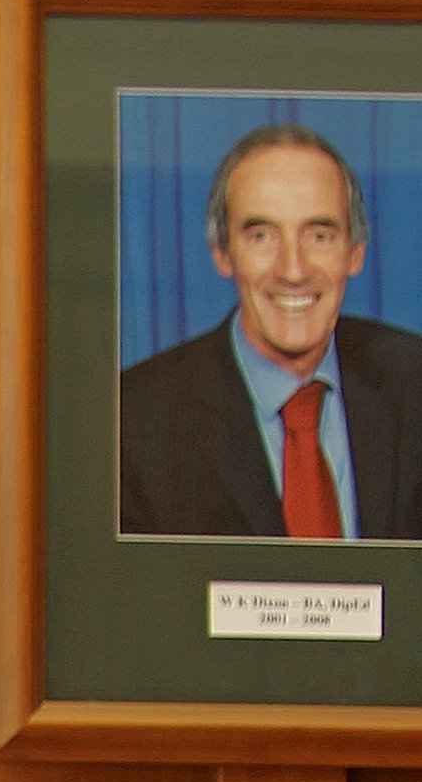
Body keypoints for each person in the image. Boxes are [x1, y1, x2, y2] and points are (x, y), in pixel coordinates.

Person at [118, 123, 422, 540]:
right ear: (223, 254)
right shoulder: (133, 422)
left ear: (355, 253)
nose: (293, 270)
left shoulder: (414, 383)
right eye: (261, 236)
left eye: (319, 235)